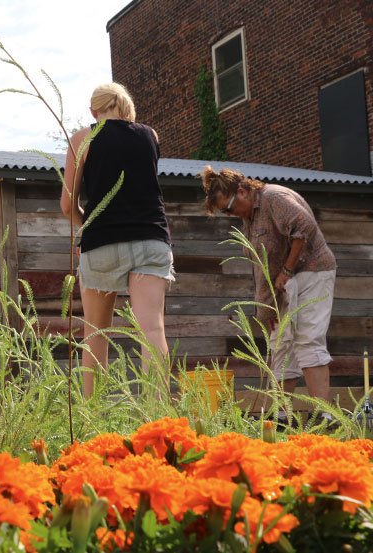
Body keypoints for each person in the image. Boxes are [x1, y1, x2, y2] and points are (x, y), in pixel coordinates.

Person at [60, 82, 174, 397]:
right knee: (152, 329)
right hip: (151, 238)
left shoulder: (83, 139)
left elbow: (67, 205)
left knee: (96, 331)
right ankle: (159, 414)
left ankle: (92, 415)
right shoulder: (150, 135)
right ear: (125, 107)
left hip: (102, 242)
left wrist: (90, 224)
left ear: (94, 111)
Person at [200, 167, 335, 416]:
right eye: (225, 212)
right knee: (280, 342)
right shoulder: (249, 217)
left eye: (228, 208)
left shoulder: (274, 198)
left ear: (242, 191)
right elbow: (262, 268)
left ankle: (323, 415)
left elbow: (304, 226)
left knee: (307, 338)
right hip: (284, 285)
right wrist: (267, 307)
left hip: (312, 272)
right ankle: (282, 415)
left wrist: (287, 269)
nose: (230, 214)